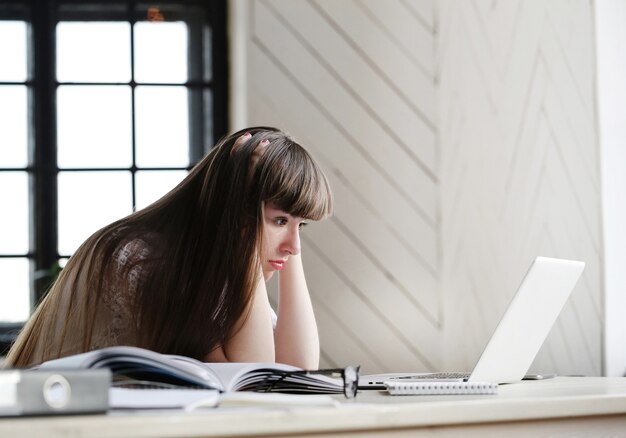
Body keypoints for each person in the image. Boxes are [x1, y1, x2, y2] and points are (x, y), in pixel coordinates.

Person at [4, 127, 333, 370]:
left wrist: (274, 225)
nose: (293, 246)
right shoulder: (134, 256)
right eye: (278, 221)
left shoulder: (219, 271)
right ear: (237, 213)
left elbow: (299, 367)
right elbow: (252, 370)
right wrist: (245, 215)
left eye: (301, 225)